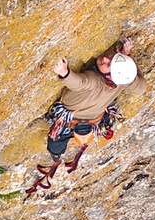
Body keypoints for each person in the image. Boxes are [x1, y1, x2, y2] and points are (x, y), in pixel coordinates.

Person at [26, 38, 146, 194]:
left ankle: (56, 158)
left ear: (110, 76)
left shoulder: (94, 80)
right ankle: (60, 155)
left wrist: (65, 73)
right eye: (112, 57)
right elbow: (141, 87)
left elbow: (80, 82)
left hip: (68, 120)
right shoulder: (122, 80)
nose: (105, 58)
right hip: (96, 117)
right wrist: (126, 57)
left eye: (109, 64)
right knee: (109, 112)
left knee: (55, 143)